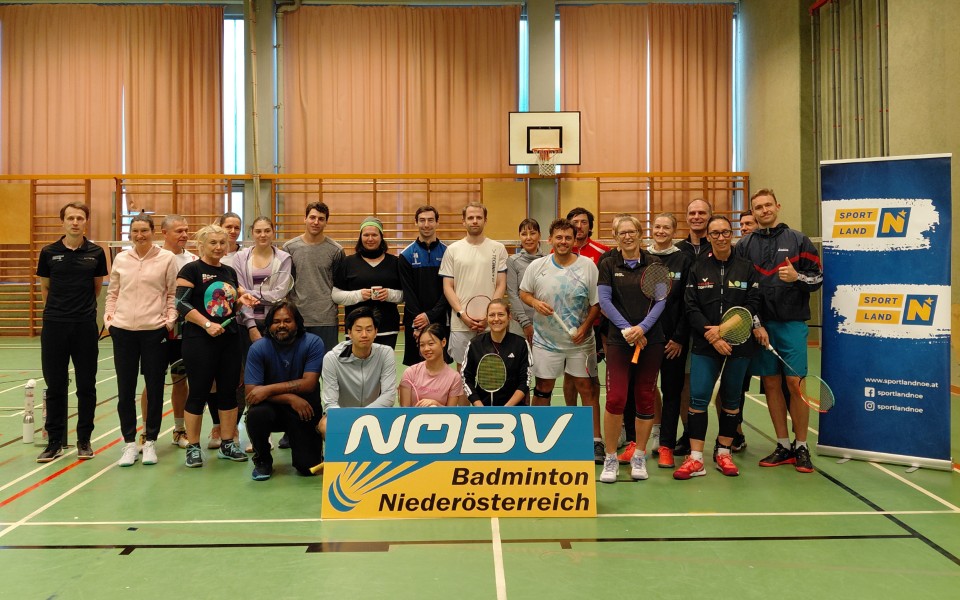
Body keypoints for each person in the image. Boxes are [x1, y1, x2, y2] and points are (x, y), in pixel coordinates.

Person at [735, 188, 823, 473]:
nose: (764, 210)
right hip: (760, 327)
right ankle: (783, 444)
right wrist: (755, 323)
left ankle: (802, 446)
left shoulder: (798, 240)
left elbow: (818, 278)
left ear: (777, 206)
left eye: (768, 205)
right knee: (771, 383)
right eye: (758, 207)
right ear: (753, 211)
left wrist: (797, 277)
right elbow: (741, 290)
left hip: (792, 324)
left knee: (795, 385)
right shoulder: (744, 245)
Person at [674, 216, 761, 480]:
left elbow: (753, 304)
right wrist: (712, 337)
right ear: (708, 236)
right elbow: (690, 306)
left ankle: (724, 452)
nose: (720, 237)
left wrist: (723, 331)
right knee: (698, 398)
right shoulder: (697, 266)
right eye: (715, 233)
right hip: (705, 344)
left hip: (739, 345)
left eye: (725, 232)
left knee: (732, 400)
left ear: (731, 234)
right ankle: (696, 458)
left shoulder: (747, 268)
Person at [175, 224, 258, 468]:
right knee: (198, 392)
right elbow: (181, 303)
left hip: (229, 339)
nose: (219, 247)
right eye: (213, 242)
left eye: (222, 243)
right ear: (201, 245)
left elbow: (233, 303)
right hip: (199, 340)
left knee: (228, 392)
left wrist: (243, 300)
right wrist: (207, 324)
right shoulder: (191, 269)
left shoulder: (229, 271)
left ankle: (227, 444)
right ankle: (193, 447)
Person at [519, 218, 602, 460]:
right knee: (543, 388)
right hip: (545, 341)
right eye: (559, 237)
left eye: (568, 238)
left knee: (587, 389)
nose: (563, 241)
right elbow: (524, 292)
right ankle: (537, 439)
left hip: (580, 342)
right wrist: (535, 303)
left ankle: (595, 440)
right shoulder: (538, 266)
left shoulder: (588, 266)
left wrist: (585, 328)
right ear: (550, 240)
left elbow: (596, 304)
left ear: (574, 240)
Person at [35, 202, 108, 463]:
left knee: (86, 385)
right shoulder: (48, 252)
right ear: (63, 222)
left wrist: (79, 312)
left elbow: (97, 288)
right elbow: (45, 288)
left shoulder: (96, 253)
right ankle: (54, 442)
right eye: (70, 218)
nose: (75, 222)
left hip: (84, 326)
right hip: (54, 326)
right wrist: (58, 312)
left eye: (79, 218)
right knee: (55, 386)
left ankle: (84, 440)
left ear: (86, 221)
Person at [596, 216, 667, 483]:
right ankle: (611, 458)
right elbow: (604, 300)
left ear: (639, 234)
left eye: (631, 231)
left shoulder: (655, 264)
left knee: (645, 397)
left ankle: (639, 455)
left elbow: (661, 300)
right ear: (616, 237)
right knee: (615, 398)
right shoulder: (608, 263)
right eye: (622, 232)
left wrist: (643, 329)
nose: (627, 236)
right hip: (619, 340)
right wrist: (628, 330)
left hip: (650, 340)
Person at [104, 214, 178, 467]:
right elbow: (113, 293)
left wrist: (168, 321)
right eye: (135, 231)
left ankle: (150, 442)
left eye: (144, 230)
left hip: (154, 331)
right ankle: (128, 443)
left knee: (155, 388)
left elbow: (172, 294)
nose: (139, 235)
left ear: (153, 232)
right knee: (125, 390)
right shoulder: (122, 258)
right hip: (123, 331)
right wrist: (110, 320)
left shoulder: (166, 258)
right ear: (130, 233)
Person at [244, 301, 325, 481]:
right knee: (256, 414)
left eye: (287, 321)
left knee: (308, 468)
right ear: (269, 325)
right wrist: (290, 398)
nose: (281, 325)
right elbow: (252, 392)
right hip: (272, 408)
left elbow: (309, 384)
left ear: (297, 323)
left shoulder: (313, 343)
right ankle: (262, 459)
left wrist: (268, 389)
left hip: (304, 409)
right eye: (276, 321)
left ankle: (301, 445)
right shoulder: (258, 348)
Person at [642, 213, 693, 470]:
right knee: (644, 389)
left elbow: (688, 302)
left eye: (666, 227)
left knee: (672, 393)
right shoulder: (642, 257)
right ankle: (639, 442)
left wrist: (679, 337)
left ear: (674, 231)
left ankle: (667, 447)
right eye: (657, 226)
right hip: (646, 339)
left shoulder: (684, 260)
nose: (661, 231)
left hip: (673, 342)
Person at [147, 214, 198, 449]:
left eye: (186, 230)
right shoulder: (153, 258)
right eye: (179, 231)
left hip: (182, 332)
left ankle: (179, 430)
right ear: (164, 233)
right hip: (156, 330)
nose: (184, 235)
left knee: (180, 380)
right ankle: (147, 433)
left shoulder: (193, 260)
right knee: (152, 382)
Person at [439, 202, 508, 368]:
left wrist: (489, 316)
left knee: (490, 370)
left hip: (491, 323)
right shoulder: (452, 250)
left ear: (485, 220)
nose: (475, 221)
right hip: (461, 324)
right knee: (462, 371)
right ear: (463, 221)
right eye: (470, 218)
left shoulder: (498, 249)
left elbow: (501, 284)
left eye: (479, 217)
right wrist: (462, 315)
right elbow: (448, 287)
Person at [671, 197, 713, 457]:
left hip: (715, 328)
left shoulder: (718, 246)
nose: (697, 217)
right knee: (685, 383)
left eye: (702, 213)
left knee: (725, 385)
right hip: (685, 328)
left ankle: (733, 434)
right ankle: (688, 433)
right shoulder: (677, 251)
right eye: (692, 213)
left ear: (710, 216)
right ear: (686, 217)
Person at [317, 306, 397, 439]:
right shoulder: (332, 358)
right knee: (325, 425)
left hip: (376, 413)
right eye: (358, 330)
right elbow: (330, 402)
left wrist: (362, 417)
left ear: (376, 332)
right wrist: (351, 419)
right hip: (344, 415)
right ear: (349, 332)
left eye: (369, 329)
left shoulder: (386, 353)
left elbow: (389, 396)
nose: (364, 334)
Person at [562, 208, 610, 426]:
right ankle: (572, 421)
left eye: (583, 222)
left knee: (593, 376)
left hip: (599, 324)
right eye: (575, 222)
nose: (579, 226)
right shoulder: (560, 250)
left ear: (590, 226)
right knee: (570, 374)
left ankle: (598, 424)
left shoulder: (603, 252)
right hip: (569, 325)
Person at [283, 202, 344, 358]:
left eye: (321, 219)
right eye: (312, 217)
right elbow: (286, 284)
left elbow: (339, 286)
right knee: (298, 365)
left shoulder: (336, 250)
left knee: (327, 365)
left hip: (326, 319)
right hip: (298, 318)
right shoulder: (289, 248)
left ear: (326, 222)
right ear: (305, 219)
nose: (316, 222)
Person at [332, 217, 403, 348]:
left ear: (381, 237)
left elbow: (404, 295)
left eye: (374, 235)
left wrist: (389, 295)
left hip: (387, 328)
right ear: (360, 237)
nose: (370, 239)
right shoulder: (348, 262)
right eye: (366, 235)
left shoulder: (395, 262)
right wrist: (358, 295)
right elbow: (336, 295)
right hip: (356, 329)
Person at [398, 205, 450, 366]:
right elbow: (408, 292)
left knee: (440, 366)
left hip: (441, 319)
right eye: (422, 220)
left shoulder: (448, 253)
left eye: (430, 220)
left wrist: (431, 315)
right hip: (415, 321)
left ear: (437, 222)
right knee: (416, 367)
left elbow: (448, 290)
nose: (426, 224)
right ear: (416, 223)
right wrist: (419, 322)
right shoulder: (406, 255)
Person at [461, 299, 531, 407]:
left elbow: (525, 381)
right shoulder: (475, 344)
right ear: (487, 318)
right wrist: (479, 406)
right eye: (492, 315)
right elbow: (466, 378)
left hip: (514, 409)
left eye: (501, 314)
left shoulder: (521, 344)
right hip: (482, 408)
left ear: (509, 316)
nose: (496, 319)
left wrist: (507, 408)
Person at [233, 216, 293, 340]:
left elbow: (279, 295)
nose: (263, 235)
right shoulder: (239, 257)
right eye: (258, 231)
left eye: (267, 231)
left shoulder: (284, 258)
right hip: (244, 323)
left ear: (273, 232)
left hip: (274, 323)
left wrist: (248, 293)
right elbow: (240, 295)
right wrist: (251, 326)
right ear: (252, 233)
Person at [398, 324, 464, 407]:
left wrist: (436, 405)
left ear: (443, 342)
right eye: (422, 345)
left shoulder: (454, 378)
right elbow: (404, 410)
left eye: (431, 343)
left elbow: (451, 412)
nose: (426, 349)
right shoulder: (410, 373)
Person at [506, 218, 544, 346]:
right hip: (519, 325)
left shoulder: (547, 260)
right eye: (524, 234)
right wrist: (525, 323)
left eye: (532, 233)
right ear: (519, 237)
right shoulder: (513, 261)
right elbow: (512, 294)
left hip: (544, 324)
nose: (528, 238)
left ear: (539, 235)